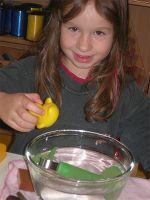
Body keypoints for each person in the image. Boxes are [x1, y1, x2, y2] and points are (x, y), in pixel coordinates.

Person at [0, 0, 149, 174]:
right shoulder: (30, 72)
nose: (83, 45)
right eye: (74, 29)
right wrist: (3, 102)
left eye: (99, 32)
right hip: (28, 185)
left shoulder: (126, 92)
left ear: (117, 34)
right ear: (57, 25)